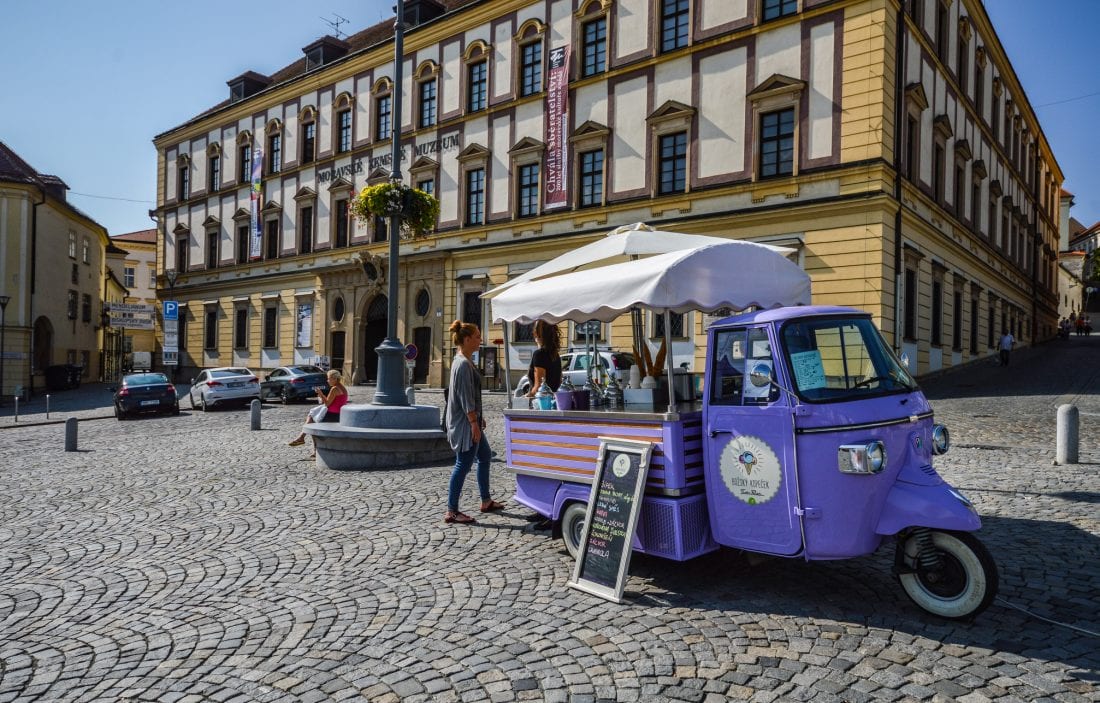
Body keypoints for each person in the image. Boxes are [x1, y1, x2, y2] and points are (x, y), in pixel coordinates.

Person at [444, 320, 504, 524]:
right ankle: (452, 510)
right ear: (467, 339)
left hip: (471, 420)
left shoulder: (465, 360)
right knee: (463, 463)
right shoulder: (462, 363)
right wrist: (473, 423)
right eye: (477, 337)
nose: (481, 340)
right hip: (464, 424)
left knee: (485, 455)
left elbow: (470, 397)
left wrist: (478, 417)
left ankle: (486, 500)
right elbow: (465, 397)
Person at [288, 369, 348, 448]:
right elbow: (333, 402)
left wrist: (321, 394)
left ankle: (304, 440)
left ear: (335, 379)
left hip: (331, 415)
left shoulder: (335, 389)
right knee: (311, 416)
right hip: (338, 414)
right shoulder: (343, 388)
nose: (327, 380)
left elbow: (327, 403)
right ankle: (302, 438)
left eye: (329, 378)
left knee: (312, 423)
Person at [526, 319, 563, 398]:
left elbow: (539, 386)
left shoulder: (539, 354)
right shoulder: (555, 355)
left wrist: (526, 397)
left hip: (541, 401)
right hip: (554, 399)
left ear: (537, 333)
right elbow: (559, 381)